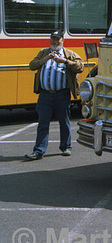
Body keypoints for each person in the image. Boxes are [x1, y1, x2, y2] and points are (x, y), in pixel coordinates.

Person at [25, 30, 84, 160]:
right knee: (43, 123)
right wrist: (46, 59)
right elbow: (32, 65)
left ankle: (66, 147)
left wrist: (65, 61)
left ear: (63, 40)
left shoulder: (69, 54)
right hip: (45, 94)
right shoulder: (43, 52)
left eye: (58, 39)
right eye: (53, 39)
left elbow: (80, 67)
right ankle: (39, 151)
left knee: (64, 121)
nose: (55, 41)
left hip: (61, 94)